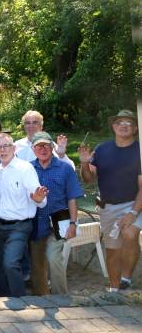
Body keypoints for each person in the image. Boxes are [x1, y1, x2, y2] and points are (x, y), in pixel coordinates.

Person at [79, 109, 142, 291]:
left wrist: (133, 212)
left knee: (130, 234)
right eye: (119, 122)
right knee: (112, 250)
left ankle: (126, 279)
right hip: (107, 207)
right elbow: (88, 179)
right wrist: (84, 163)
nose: (123, 125)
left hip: (134, 203)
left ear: (136, 128)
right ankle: (115, 290)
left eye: (128, 123)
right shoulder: (101, 149)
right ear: (113, 127)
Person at [0, 133, 48, 297]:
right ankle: (1, 301)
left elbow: (40, 200)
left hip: (19, 226)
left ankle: (18, 300)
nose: (2, 150)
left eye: (6, 146)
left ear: (14, 148)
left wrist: (39, 199)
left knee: (10, 263)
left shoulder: (25, 168)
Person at [29, 131, 83, 295]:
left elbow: (72, 198)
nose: (43, 149)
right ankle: (43, 299)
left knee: (54, 258)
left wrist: (73, 223)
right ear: (33, 149)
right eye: (39, 146)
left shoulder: (65, 168)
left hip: (59, 222)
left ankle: (61, 297)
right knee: (37, 264)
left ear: (52, 147)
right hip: (36, 223)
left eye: (46, 145)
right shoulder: (28, 168)